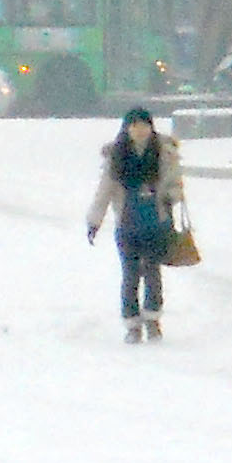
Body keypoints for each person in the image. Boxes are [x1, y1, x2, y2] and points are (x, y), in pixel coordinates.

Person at [84, 105, 187, 340]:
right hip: (127, 223)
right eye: (135, 126)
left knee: (152, 271)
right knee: (130, 274)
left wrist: (171, 196)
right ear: (126, 128)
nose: (140, 131)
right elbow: (105, 190)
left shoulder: (163, 152)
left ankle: (152, 319)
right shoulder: (117, 156)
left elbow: (175, 183)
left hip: (155, 222)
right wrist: (94, 221)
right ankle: (132, 324)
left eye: (145, 125)